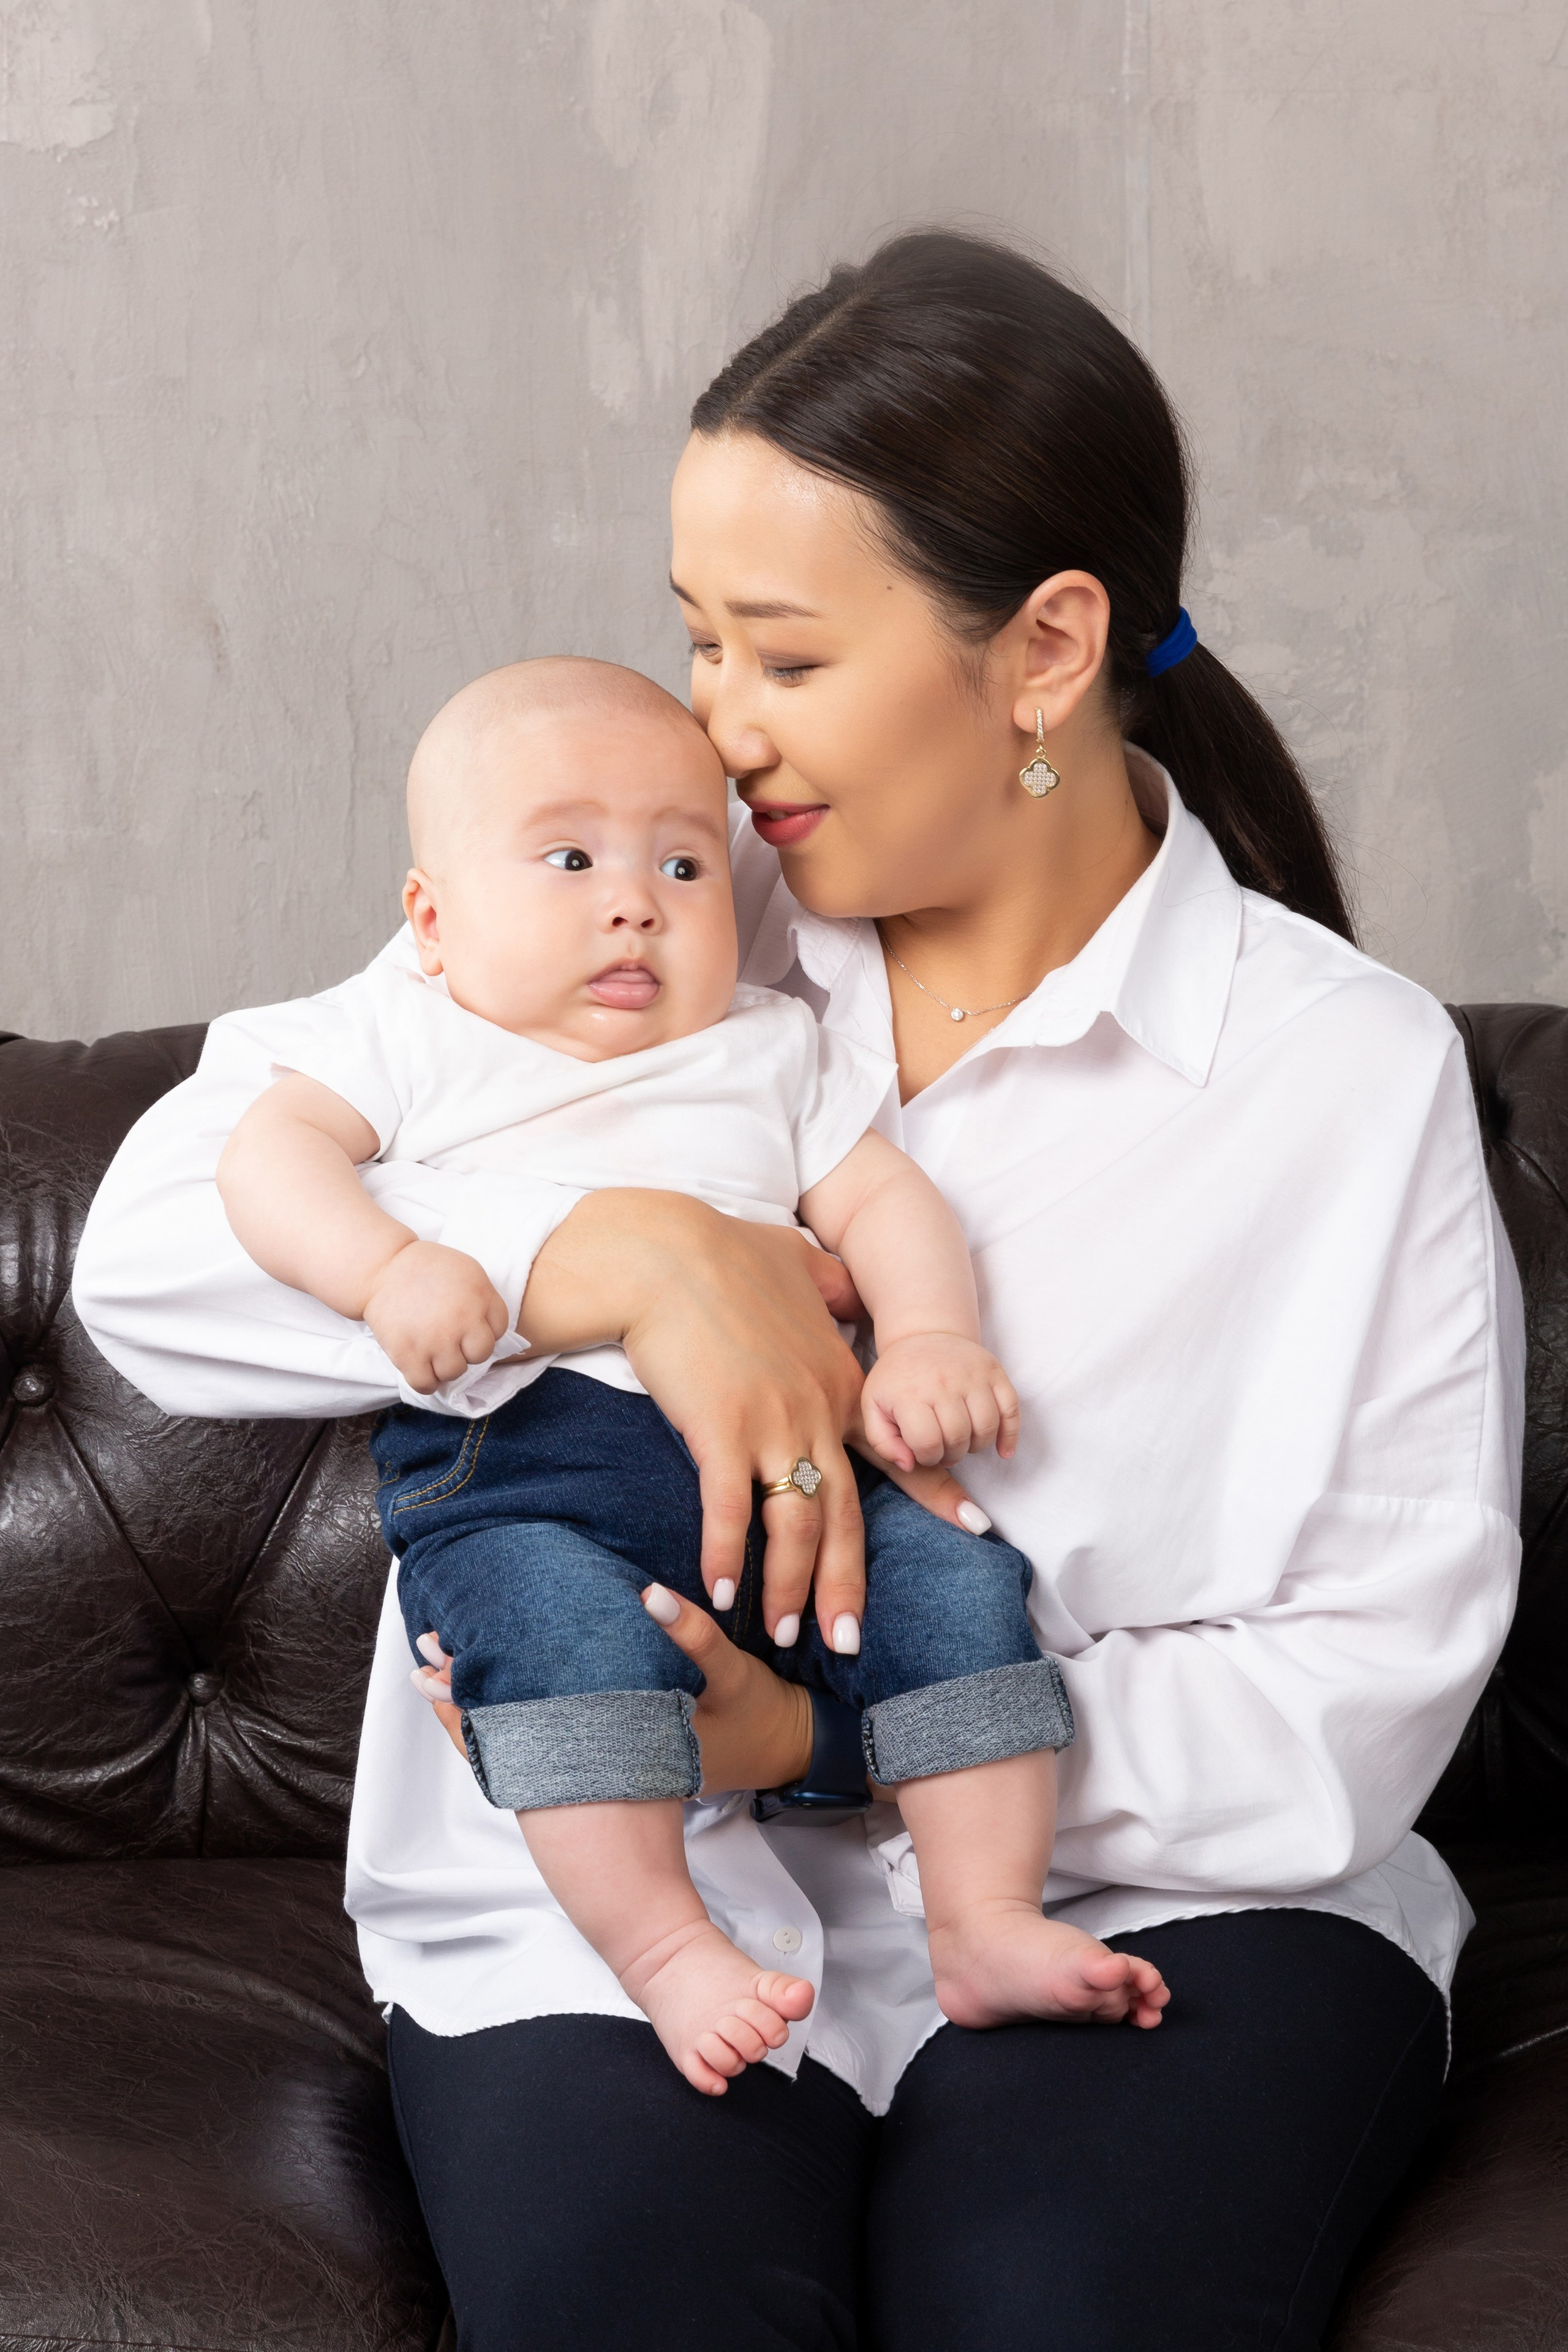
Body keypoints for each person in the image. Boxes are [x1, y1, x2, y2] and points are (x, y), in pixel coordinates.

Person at [73, 231, 1523, 2350]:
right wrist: (619, 1261)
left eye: (782, 656)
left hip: (1149, 1892)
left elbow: (1360, 1682)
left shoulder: (1335, 1074)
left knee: (1052, 2310)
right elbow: (155, 1250)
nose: (716, 730)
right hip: (603, 1890)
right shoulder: (643, 900)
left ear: (1044, 650)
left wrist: (829, 1738)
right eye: (697, 645)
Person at [209, 652, 1167, 2095]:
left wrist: (922, 1339)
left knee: (961, 1587)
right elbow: (263, 1161)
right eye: (571, 857)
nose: (632, 902)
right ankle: (662, 1951)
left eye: (681, 862)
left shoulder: (768, 1047)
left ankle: (980, 1917)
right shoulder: (410, 1033)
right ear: (429, 915)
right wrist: (386, 1270)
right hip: (527, 1477)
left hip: (805, 1488)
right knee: (555, 1648)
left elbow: (886, 1207)